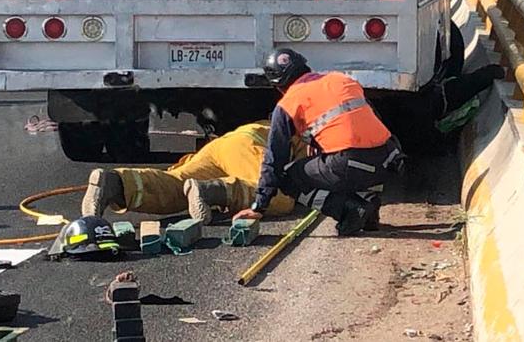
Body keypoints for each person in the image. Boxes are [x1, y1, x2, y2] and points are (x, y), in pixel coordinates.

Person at [232, 49, 404, 236]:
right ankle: (369, 215)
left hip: (350, 162)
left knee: (288, 176)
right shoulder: (342, 80)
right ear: (306, 68)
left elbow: (274, 160)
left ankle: (349, 210)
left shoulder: (288, 104)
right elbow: (371, 122)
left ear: (278, 86)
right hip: (388, 159)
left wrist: (259, 206)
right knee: (356, 162)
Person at [81, 122, 308, 223]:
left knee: (176, 186)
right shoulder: (312, 133)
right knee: (280, 197)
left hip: (223, 145)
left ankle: (115, 183)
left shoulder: (285, 118)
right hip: (246, 148)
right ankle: (212, 191)